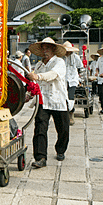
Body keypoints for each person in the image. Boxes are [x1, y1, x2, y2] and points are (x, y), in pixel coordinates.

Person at [26, 38, 68, 167]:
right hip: (43, 100)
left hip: (58, 100)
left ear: (53, 49)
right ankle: (40, 157)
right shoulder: (39, 65)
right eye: (43, 48)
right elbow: (35, 83)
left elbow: (53, 74)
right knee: (40, 128)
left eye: (48, 48)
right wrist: (29, 94)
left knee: (63, 129)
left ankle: (60, 150)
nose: (45, 51)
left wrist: (38, 76)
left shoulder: (59, 62)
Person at [63, 41, 82, 125]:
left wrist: (80, 79)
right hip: (63, 80)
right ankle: (64, 114)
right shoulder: (61, 58)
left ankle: (71, 113)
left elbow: (80, 68)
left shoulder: (76, 57)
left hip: (73, 80)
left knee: (70, 97)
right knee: (63, 97)